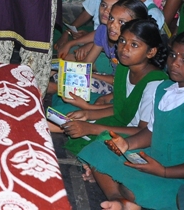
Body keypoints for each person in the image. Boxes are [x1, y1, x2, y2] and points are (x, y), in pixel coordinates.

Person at [78, 30, 184, 210]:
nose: (175, 63)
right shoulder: (165, 89)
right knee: (98, 149)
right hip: (155, 157)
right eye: (173, 55)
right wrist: (126, 144)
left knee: (136, 187)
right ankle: (118, 199)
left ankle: (123, 193)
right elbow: (151, 131)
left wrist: (163, 172)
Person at [58, 18, 168, 156]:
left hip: (137, 137)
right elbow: (119, 109)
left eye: (134, 45)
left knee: (97, 147)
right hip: (121, 123)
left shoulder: (154, 84)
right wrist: (88, 114)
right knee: (72, 124)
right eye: (122, 41)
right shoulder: (124, 68)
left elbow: (143, 132)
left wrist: (92, 128)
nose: (124, 48)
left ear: (151, 52)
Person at [52, 0, 149, 114]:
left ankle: (58, 91)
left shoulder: (128, 50)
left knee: (80, 85)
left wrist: (90, 75)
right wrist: (74, 71)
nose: (113, 25)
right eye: (111, 18)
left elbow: (120, 82)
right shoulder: (106, 32)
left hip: (120, 88)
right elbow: (87, 63)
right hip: (114, 80)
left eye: (121, 22)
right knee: (68, 77)